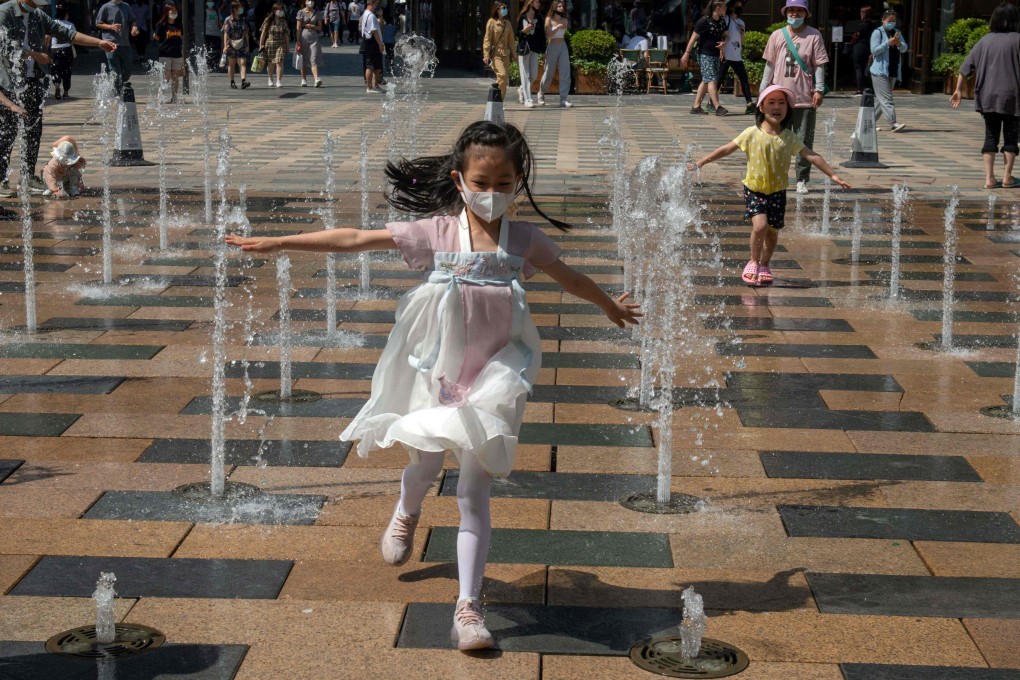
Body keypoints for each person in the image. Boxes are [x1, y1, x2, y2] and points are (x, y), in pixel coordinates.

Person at [225, 121, 641, 650]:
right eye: (482, 182)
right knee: (423, 465)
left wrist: (608, 305)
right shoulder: (438, 232)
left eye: (505, 183)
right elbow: (355, 238)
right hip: (439, 373)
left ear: (519, 182)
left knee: (474, 490)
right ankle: (407, 511)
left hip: (495, 375)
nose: (492, 194)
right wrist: (281, 241)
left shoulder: (524, 239)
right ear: (460, 179)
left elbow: (571, 277)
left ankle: (468, 609)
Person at [693, 85, 851, 286]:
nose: (777, 107)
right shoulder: (751, 133)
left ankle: (765, 264)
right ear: (761, 108)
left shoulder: (789, 138)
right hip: (754, 189)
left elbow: (811, 155)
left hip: (777, 192)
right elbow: (726, 149)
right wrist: (701, 162)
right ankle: (753, 261)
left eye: (782, 103)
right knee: (760, 226)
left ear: (787, 109)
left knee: (772, 232)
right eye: (772, 102)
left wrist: (833, 175)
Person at [0, 0, 116, 197]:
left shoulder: (37, 15)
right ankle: (1, 179)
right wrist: (35, 55)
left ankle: (27, 177)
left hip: (32, 79)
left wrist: (98, 42)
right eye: (32, 2)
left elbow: (68, 34)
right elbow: (5, 46)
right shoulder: (4, 13)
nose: (35, 6)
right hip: (8, 80)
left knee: (33, 131)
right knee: (6, 133)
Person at [758, 0, 828, 194]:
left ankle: (801, 179)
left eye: (799, 11)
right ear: (786, 12)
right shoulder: (777, 35)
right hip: (779, 98)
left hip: (805, 96)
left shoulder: (814, 35)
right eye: (792, 10)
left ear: (806, 14)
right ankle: (774, 175)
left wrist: (819, 89)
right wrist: (763, 90)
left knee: (804, 140)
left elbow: (819, 64)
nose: (795, 14)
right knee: (775, 138)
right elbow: (769, 65)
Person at [952, 3, 1020, 189]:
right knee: (1011, 136)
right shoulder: (1017, 40)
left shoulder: (985, 40)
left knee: (991, 136)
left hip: (987, 96)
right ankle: (1007, 177)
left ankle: (989, 179)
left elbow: (965, 69)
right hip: (1012, 97)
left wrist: (958, 90)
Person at [680, 0, 728, 116]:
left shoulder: (721, 22)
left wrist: (723, 44)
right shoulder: (704, 21)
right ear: (717, 7)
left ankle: (696, 106)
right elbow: (693, 39)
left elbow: (726, 35)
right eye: (724, 6)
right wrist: (686, 53)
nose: (726, 8)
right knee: (712, 79)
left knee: (706, 80)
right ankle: (717, 106)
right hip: (705, 54)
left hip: (716, 55)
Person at [869, 10, 907, 133]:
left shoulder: (897, 33)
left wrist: (899, 43)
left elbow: (904, 49)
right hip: (879, 71)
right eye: (889, 21)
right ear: (883, 20)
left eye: (894, 21)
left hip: (893, 70)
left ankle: (868, 123)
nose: (891, 23)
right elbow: (874, 50)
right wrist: (887, 43)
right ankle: (893, 123)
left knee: (881, 99)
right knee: (887, 98)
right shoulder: (877, 32)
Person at [717, 0, 755, 115]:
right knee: (719, 80)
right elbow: (721, 36)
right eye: (737, 5)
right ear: (732, 7)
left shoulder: (741, 22)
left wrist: (742, 32)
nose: (740, 6)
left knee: (744, 79)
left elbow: (742, 41)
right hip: (726, 54)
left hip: (737, 55)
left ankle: (749, 104)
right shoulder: (725, 20)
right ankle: (712, 102)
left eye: (740, 5)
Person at [96, 0, 140, 95]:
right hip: (110, 42)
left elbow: (133, 20)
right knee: (115, 69)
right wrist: (110, 27)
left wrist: (134, 28)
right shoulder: (106, 7)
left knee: (128, 66)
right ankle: (117, 92)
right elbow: (98, 23)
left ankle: (118, 84)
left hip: (125, 43)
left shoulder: (126, 6)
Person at [539, 0, 571, 107]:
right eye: (559, 6)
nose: (562, 8)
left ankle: (563, 98)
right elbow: (548, 36)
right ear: (555, 7)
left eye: (562, 6)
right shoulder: (549, 19)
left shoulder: (564, 20)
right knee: (549, 72)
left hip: (562, 45)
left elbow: (564, 30)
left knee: (565, 71)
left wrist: (561, 26)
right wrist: (556, 28)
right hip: (552, 46)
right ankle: (541, 93)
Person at [516, 0, 545, 108]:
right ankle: (528, 99)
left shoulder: (539, 18)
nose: (539, 4)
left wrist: (544, 50)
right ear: (531, 3)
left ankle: (522, 89)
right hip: (524, 49)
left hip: (535, 49)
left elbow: (542, 36)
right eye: (537, 2)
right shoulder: (522, 17)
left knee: (533, 75)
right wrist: (524, 30)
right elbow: (517, 34)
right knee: (526, 75)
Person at [482, 1, 513, 101]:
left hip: (506, 55)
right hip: (496, 55)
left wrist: (515, 54)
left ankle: (499, 101)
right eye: (502, 8)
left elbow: (511, 41)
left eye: (506, 8)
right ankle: (496, 99)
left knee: (504, 80)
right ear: (497, 10)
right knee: (502, 75)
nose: (505, 10)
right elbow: (487, 39)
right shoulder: (491, 22)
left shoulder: (507, 23)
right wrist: (486, 54)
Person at [153, 1, 183, 101]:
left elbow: (180, 35)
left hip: (177, 53)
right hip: (165, 53)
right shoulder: (161, 24)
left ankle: (174, 96)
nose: (174, 12)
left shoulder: (178, 24)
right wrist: (164, 42)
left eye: (175, 10)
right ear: (167, 12)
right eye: (172, 10)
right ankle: (160, 95)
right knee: (167, 75)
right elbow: (155, 36)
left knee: (175, 76)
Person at [259, 1, 290, 87]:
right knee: (271, 63)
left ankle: (278, 80)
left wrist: (287, 46)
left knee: (279, 62)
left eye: (282, 10)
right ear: (275, 10)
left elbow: (286, 35)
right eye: (279, 10)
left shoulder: (283, 21)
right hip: (270, 44)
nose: (281, 11)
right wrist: (261, 44)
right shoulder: (268, 20)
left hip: (281, 44)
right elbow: (264, 33)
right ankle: (270, 78)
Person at [849, 4, 876, 96]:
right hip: (870, 47)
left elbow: (855, 37)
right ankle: (870, 88)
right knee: (869, 67)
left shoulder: (860, 26)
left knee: (859, 68)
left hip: (860, 48)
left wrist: (851, 43)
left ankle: (859, 89)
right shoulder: (875, 26)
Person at [222, 1, 250, 88]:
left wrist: (247, 45)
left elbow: (246, 33)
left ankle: (243, 81)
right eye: (239, 7)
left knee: (243, 62)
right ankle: (232, 82)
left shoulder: (243, 20)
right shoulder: (228, 20)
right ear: (234, 9)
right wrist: (225, 45)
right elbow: (225, 33)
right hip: (231, 44)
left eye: (241, 7)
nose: (241, 9)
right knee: (231, 63)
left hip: (242, 43)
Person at [296, 0, 324, 87]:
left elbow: (320, 28)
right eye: (308, 0)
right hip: (303, 37)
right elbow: (298, 27)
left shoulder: (317, 13)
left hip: (314, 37)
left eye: (312, 0)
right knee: (303, 58)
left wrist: (313, 26)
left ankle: (316, 79)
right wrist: (297, 40)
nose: (310, 2)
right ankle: (303, 79)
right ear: (305, 2)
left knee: (313, 58)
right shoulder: (301, 12)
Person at [50, 5, 75, 100]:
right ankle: (65, 92)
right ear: (65, 15)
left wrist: (46, 49)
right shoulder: (70, 25)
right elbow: (73, 38)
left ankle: (57, 85)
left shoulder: (53, 23)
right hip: (66, 49)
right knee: (67, 70)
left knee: (55, 69)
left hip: (54, 49)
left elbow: (48, 37)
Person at [361, 0, 384, 93]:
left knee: (377, 66)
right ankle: (369, 87)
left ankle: (376, 85)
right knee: (370, 65)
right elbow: (374, 31)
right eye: (376, 3)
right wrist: (380, 44)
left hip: (370, 42)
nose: (377, 6)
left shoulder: (367, 14)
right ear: (371, 3)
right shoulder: (370, 16)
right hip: (371, 43)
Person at [204, 0, 222, 68]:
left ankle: (215, 64)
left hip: (216, 33)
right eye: (209, 1)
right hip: (207, 33)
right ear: (206, 3)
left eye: (212, 1)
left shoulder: (217, 11)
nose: (210, 3)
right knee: (208, 49)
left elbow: (220, 22)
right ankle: (208, 64)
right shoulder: (204, 11)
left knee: (217, 50)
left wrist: (222, 31)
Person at [382, 10, 396, 74]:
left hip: (386, 41)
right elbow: (394, 33)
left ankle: (387, 64)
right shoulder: (394, 27)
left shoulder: (384, 27)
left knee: (388, 52)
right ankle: (391, 65)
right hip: (391, 42)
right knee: (392, 53)